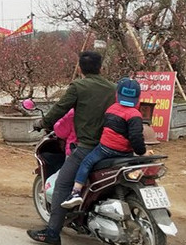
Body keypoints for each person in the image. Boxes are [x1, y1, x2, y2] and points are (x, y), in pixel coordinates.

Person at [27, 50, 116, 245]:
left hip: (87, 146)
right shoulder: (112, 88)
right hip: (111, 146)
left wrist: (42, 123)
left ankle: (52, 233)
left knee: (62, 185)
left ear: (80, 69)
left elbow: (60, 108)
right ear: (101, 68)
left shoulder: (78, 86)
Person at [61, 78, 147, 208]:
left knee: (86, 163)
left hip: (105, 149)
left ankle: (75, 192)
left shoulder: (111, 109)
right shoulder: (135, 114)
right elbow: (136, 137)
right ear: (138, 97)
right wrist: (141, 152)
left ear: (117, 94)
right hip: (125, 153)